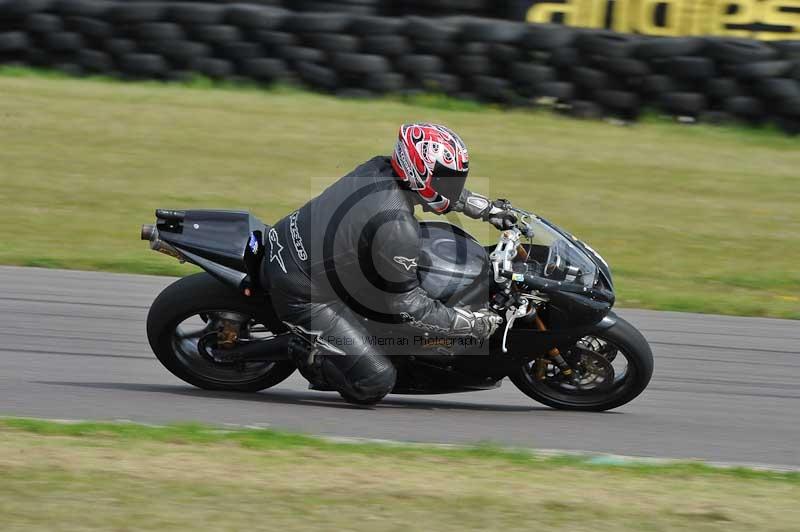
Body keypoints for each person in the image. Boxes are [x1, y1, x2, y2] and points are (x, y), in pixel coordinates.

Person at [265, 123, 516, 404]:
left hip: (292, 239)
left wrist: (485, 208)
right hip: (303, 291)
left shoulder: (381, 166)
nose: (453, 186)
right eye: (447, 179)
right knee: (375, 381)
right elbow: (408, 306)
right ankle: (306, 349)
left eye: (456, 178)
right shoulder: (396, 225)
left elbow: (437, 190)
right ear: (417, 171)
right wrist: (469, 324)